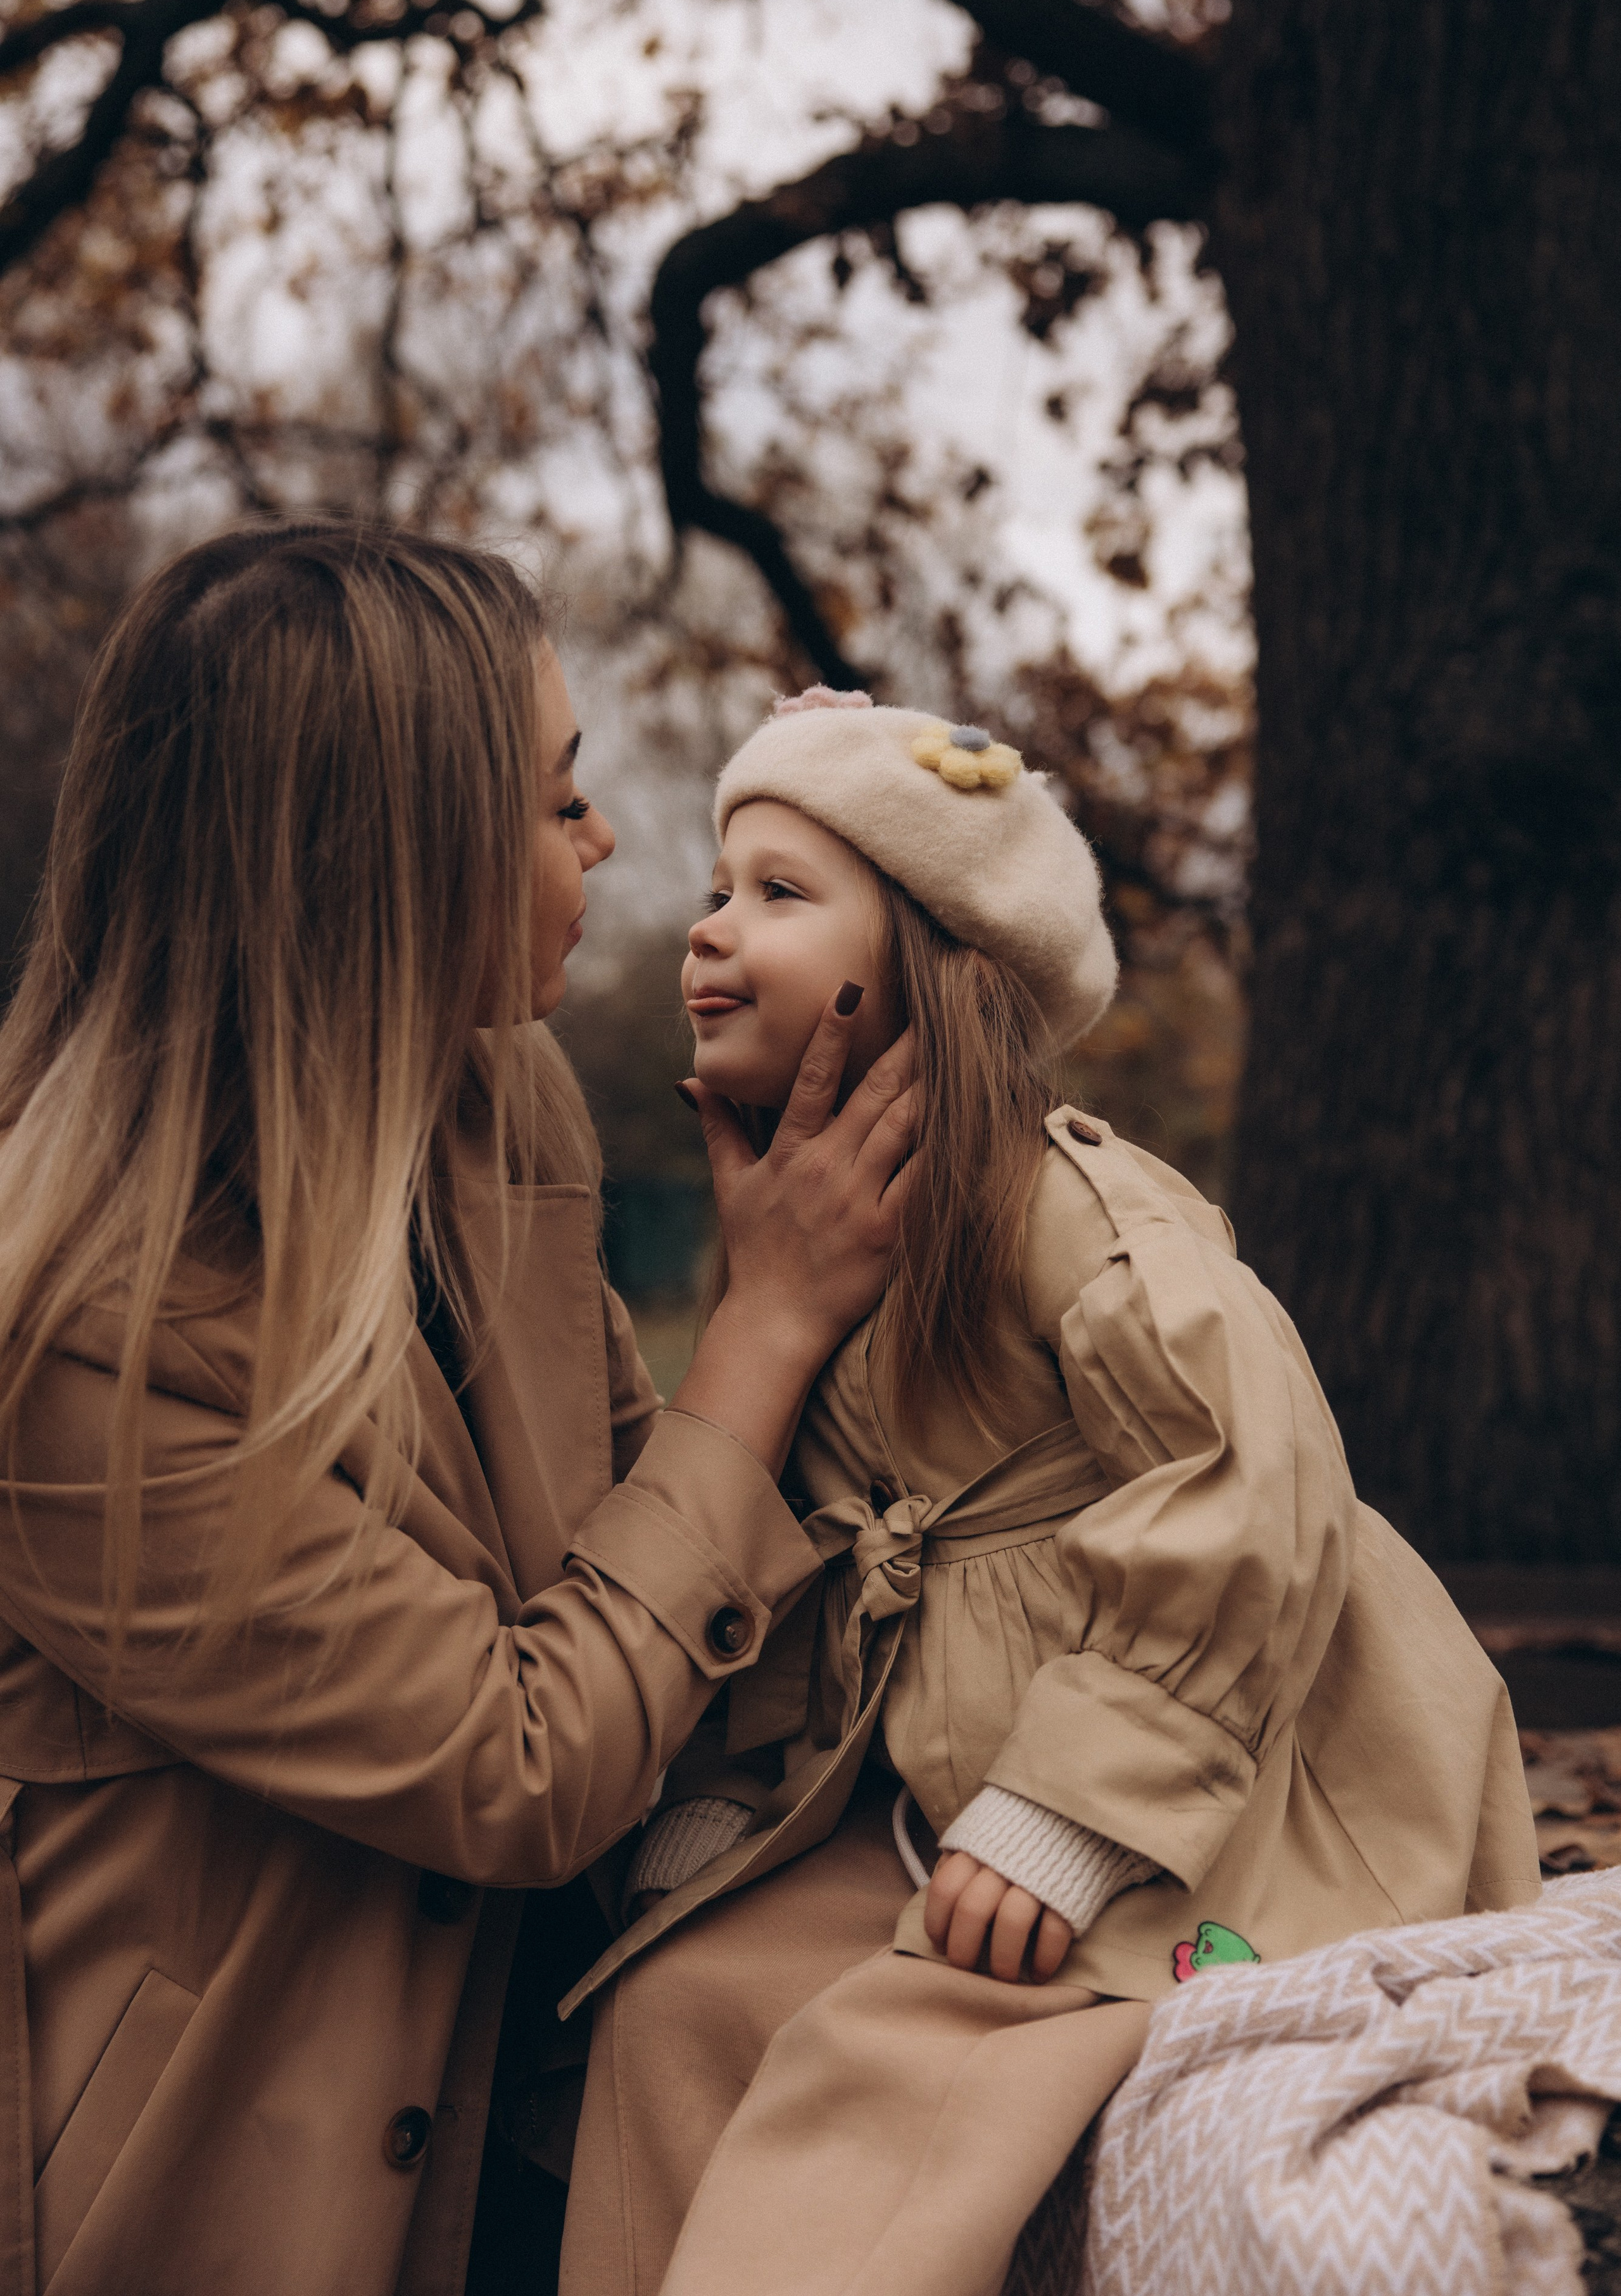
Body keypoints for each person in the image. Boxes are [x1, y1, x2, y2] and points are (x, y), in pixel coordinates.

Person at [0, 532, 915, 2296]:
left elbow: (654, 1554)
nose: (606, 840)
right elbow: (518, 1766)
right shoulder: (73, 1334)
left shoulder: (499, 1108)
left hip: (541, 2107)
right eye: (558, 798)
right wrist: (766, 1320)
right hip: (241, 2198)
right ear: (384, 860)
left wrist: (877, 896)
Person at [557, 687, 1543, 2296]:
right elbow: (811, 1553)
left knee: (910, 2052)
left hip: (1203, 1778)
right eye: (718, 886)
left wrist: (1073, 1811)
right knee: (676, 2000)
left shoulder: (1066, 1208)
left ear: (932, 961)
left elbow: (1248, 1480)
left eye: (780, 892)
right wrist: (730, 1789)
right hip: (949, 1794)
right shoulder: (814, 1247)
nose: (706, 927)